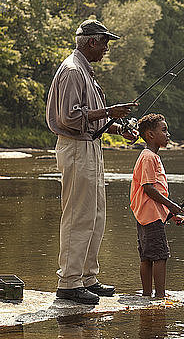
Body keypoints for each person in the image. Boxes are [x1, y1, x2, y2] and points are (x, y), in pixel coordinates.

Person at [46, 19, 139, 305]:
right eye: (105, 43)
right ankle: (69, 283)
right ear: (91, 42)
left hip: (90, 146)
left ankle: (87, 277)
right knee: (78, 215)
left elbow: (88, 119)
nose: (107, 49)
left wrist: (118, 127)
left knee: (96, 214)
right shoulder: (73, 71)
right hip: (75, 149)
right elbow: (70, 118)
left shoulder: (85, 71)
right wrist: (110, 111)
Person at [129, 113, 184, 298]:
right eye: (164, 130)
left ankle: (147, 295)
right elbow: (148, 188)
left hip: (146, 215)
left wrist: (171, 214)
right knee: (160, 256)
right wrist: (173, 206)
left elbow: (155, 193)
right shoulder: (149, 157)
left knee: (147, 257)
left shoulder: (149, 156)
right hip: (151, 216)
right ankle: (159, 296)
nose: (168, 134)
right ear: (150, 135)